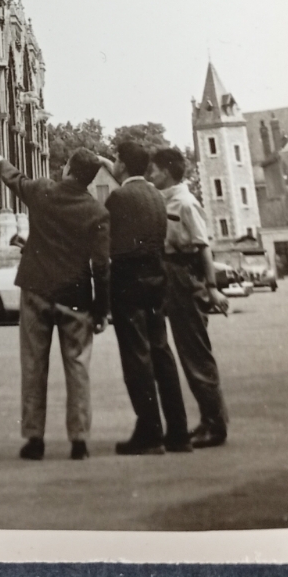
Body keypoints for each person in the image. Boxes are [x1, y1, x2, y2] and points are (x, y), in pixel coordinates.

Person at [0, 146, 111, 460]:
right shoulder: (97, 212)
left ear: (67, 168)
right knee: (78, 367)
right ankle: (79, 440)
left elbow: (17, 180)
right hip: (76, 296)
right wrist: (101, 309)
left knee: (33, 366)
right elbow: (102, 266)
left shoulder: (43, 192)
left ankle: (34, 440)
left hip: (37, 289)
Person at [99, 141, 192, 455]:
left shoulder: (119, 198)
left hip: (128, 284)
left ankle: (150, 431)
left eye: (114, 158)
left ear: (122, 164)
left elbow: (107, 244)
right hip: (156, 281)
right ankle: (178, 432)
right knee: (161, 353)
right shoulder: (156, 194)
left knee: (136, 357)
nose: (112, 162)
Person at [149, 146, 230, 447]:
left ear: (167, 171)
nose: (150, 174)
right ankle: (209, 420)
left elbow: (202, 246)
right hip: (173, 276)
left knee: (196, 354)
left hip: (185, 276)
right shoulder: (166, 199)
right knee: (188, 353)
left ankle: (215, 425)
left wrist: (211, 287)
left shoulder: (185, 203)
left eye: (154, 169)